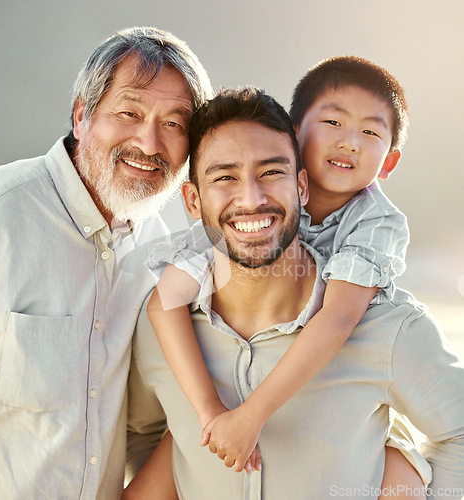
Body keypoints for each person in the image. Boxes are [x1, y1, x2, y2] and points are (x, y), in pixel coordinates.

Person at [126, 87, 464, 499]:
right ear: (193, 201)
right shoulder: (160, 324)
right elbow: (143, 436)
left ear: (301, 187)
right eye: (225, 177)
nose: (251, 198)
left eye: (271, 172)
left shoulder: (386, 326)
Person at [145, 56, 410, 472]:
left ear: (389, 162)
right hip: (246, 372)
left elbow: (338, 319)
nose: (350, 142)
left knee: (399, 467)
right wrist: (210, 411)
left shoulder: (376, 224)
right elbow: (164, 302)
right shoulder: (245, 209)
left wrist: (251, 416)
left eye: (371, 132)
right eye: (334, 124)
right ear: (296, 134)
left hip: (345, 398)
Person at [0, 26, 212, 499]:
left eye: (174, 123)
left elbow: (142, 427)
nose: (150, 144)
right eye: (130, 112)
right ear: (81, 114)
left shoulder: (160, 250)